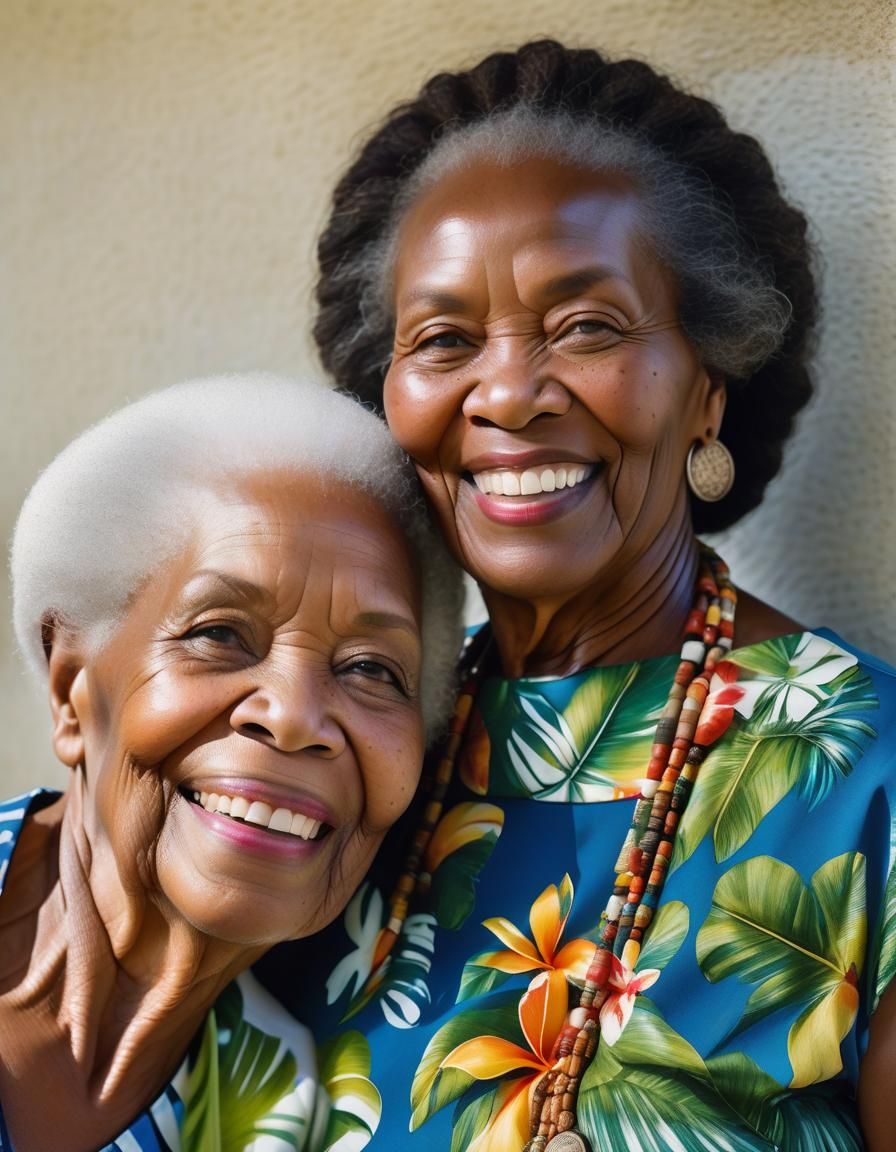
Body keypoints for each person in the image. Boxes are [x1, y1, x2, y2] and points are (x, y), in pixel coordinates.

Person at [258, 40, 896, 1152]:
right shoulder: (336, 746)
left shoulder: (865, 785)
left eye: (585, 326)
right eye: (444, 341)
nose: (506, 393)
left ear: (706, 385)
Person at [1, 373, 462, 1152]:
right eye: (219, 633)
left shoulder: (297, 1121)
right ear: (73, 692)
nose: (293, 716)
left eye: (372, 670)